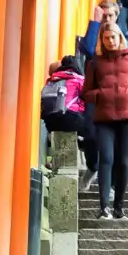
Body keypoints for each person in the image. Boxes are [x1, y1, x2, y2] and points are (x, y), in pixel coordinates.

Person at [82, 22, 128, 220]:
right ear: (101, 40)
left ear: (120, 37)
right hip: (104, 118)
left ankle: (119, 207)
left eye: (113, 37)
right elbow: (86, 93)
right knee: (106, 160)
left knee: (123, 162)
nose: (110, 41)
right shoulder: (94, 63)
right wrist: (101, 94)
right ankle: (104, 208)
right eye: (106, 38)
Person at [41, 56, 99, 189]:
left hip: (50, 122)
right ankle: (92, 166)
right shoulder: (80, 80)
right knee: (92, 134)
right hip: (71, 120)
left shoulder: (51, 81)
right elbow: (89, 99)